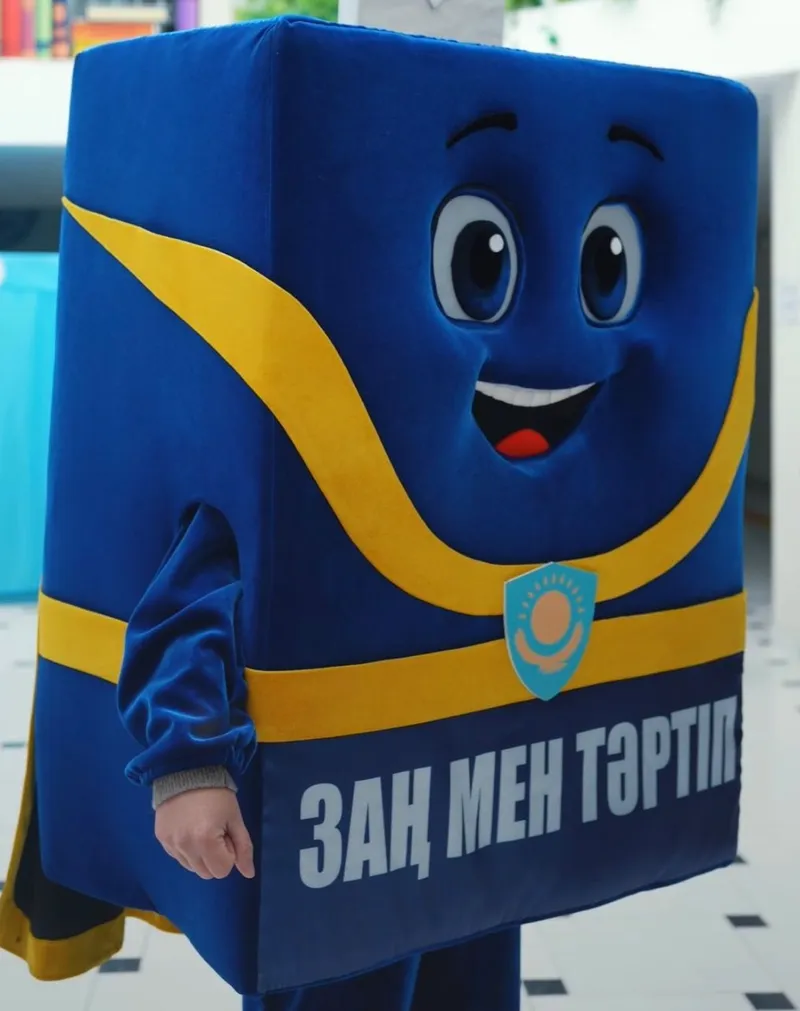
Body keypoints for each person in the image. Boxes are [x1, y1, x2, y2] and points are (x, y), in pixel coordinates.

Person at [0, 15, 757, 1011]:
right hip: (332, 833)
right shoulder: (288, 460)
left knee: (471, 976)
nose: (555, 350)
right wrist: (186, 765)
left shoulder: (529, 508)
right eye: (479, 264)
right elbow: (183, 604)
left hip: (466, 815)